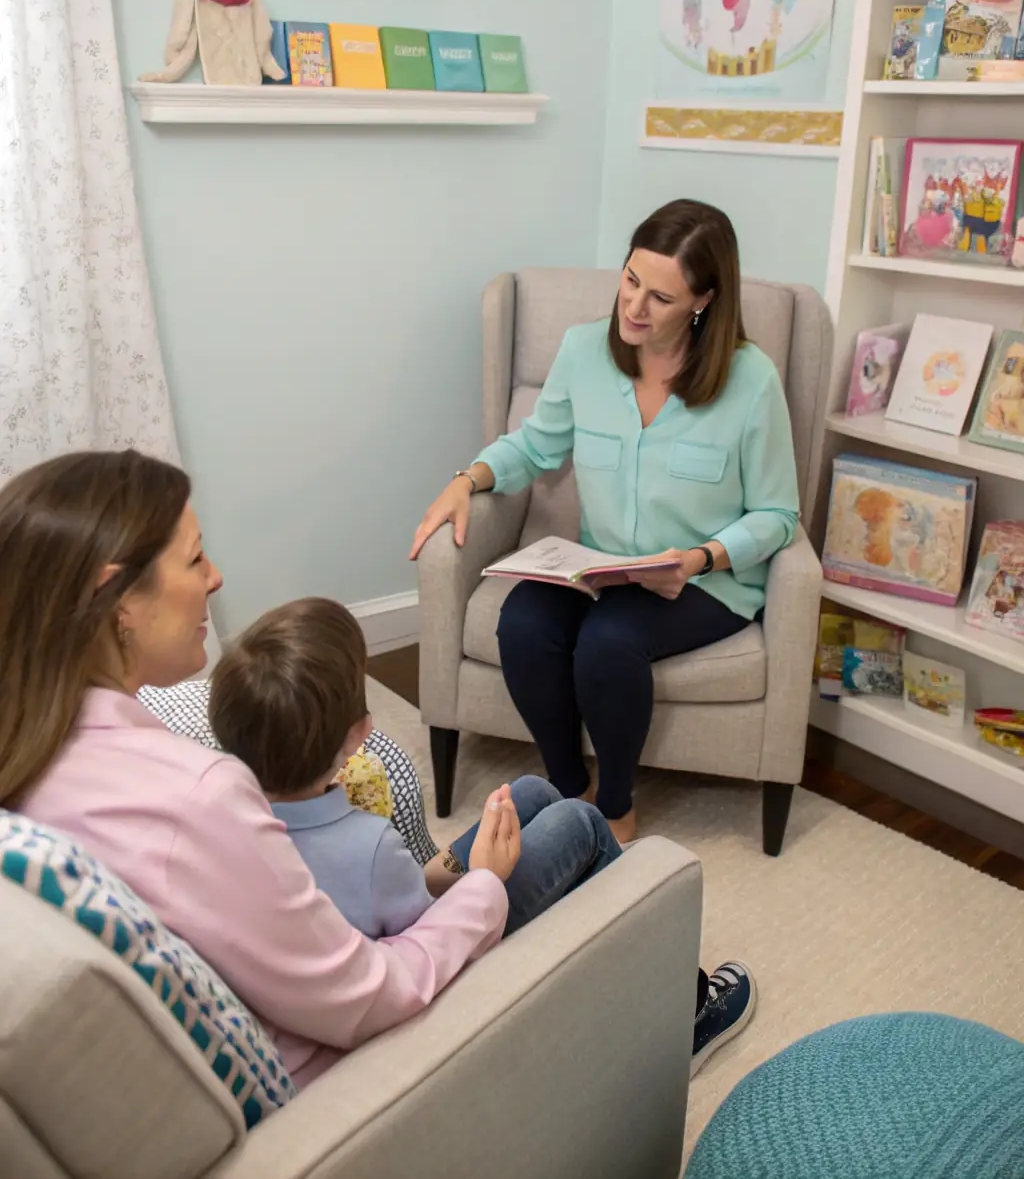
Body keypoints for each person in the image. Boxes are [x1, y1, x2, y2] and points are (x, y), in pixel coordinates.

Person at [0, 449, 754, 1090]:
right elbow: (370, 991)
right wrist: (484, 886)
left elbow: (296, 905)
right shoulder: (196, 797)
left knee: (528, 796)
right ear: (116, 599)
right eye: (195, 557)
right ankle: (675, 1022)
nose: (218, 576)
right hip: (368, 1064)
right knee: (581, 821)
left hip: (338, 961)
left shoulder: (42, 760)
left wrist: (441, 877)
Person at [411, 199, 800, 846]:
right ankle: (571, 792)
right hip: (601, 565)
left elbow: (778, 514)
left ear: (703, 300)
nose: (634, 307)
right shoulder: (585, 349)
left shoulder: (751, 379)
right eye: (630, 280)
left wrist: (699, 558)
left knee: (609, 642)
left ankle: (615, 810)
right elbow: (536, 446)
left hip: (706, 581)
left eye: (661, 297)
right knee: (524, 623)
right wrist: (465, 479)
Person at [207, 596, 620, 939]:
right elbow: (433, 937)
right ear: (359, 733)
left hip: (397, 918)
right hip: (454, 955)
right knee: (581, 821)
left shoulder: (226, 818)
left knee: (533, 793)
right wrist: (483, 877)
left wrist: (463, 868)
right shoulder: (369, 846)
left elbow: (395, 896)